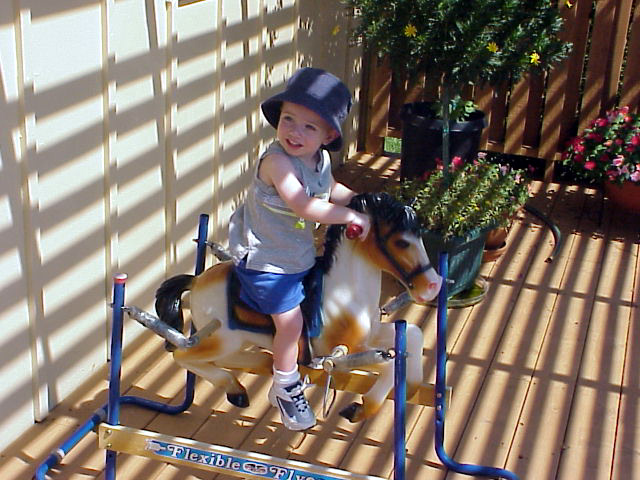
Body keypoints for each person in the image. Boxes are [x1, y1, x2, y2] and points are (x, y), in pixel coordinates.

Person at [228, 67, 371, 430]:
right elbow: (305, 205)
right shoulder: (277, 162)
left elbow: (331, 189)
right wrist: (348, 216)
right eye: (289, 119)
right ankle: (285, 384)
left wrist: (363, 203)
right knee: (290, 324)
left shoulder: (319, 160)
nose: (295, 132)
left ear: (328, 136)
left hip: (297, 256)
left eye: (309, 127)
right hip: (267, 261)